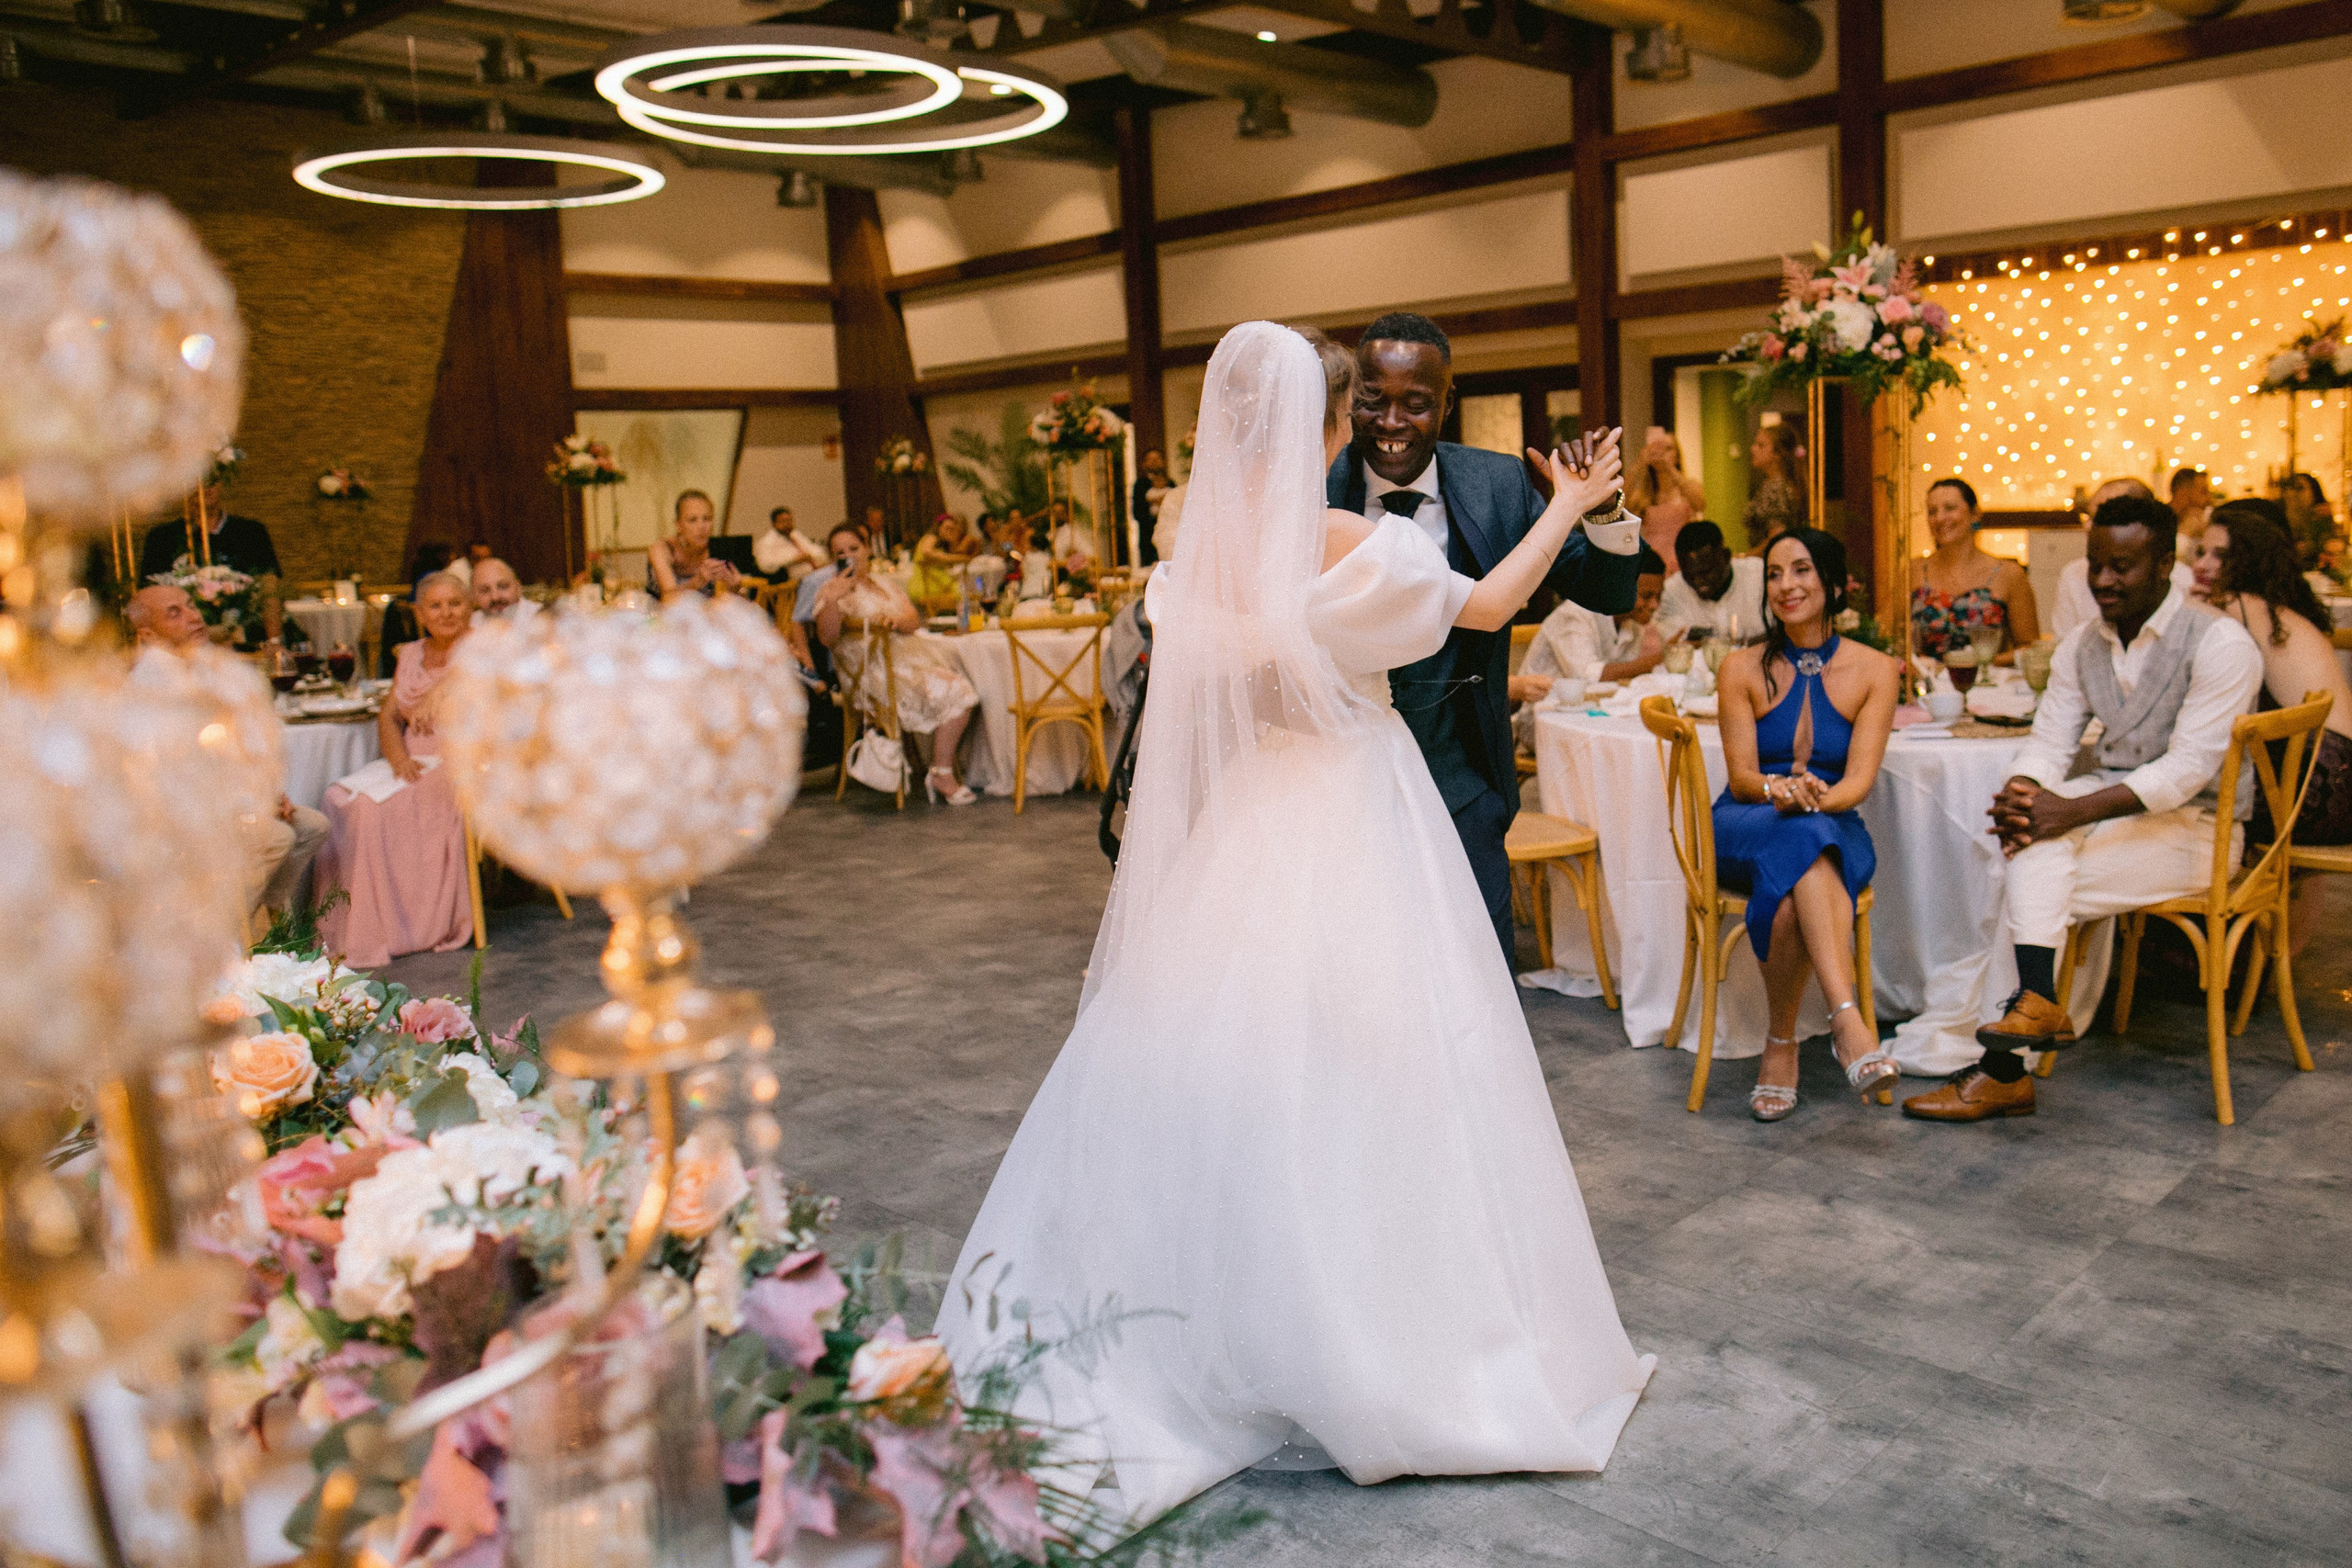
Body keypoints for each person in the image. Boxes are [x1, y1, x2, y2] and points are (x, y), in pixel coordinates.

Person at [940, 321, 1651, 1531]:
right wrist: (1574, 501)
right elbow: (1487, 607)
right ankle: (1370, 1325)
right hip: (1358, 805)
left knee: (1242, 1065)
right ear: (1325, 424)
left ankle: (1230, 1306)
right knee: (1387, 1065)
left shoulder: (1194, 560)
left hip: (1252, 815)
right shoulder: (1340, 543)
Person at [1904, 495, 2263, 1122]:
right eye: (2095, 564)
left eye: (2122, 566)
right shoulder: (2080, 646)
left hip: (2201, 828)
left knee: (2025, 875)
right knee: (2030, 844)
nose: (2103, 580)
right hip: (2116, 811)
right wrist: (2024, 793)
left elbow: (2186, 771)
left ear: (2165, 566)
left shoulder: (2223, 644)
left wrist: (2066, 813)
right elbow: (2049, 743)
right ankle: (2031, 1014)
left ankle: (2007, 1064)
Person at [1327, 310, 1645, 958]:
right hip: (1340, 779)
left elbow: (1607, 593)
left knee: (1479, 968)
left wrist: (1602, 508)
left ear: (1448, 405)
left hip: (1465, 776)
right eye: (1373, 401)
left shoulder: (1497, 483)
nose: (1391, 422)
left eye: (1416, 404)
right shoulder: (1313, 488)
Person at [1712, 528, 1903, 1120]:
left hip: (1833, 818)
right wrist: (1780, 790)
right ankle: (1848, 1021)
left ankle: (1781, 1044)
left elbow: (1858, 782)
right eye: (1774, 574)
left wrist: (1814, 801)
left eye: (1801, 570)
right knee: (1804, 838)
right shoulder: (1739, 667)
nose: (1785, 585)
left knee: (1798, 875)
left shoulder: (1877, 669)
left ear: (1832, 582)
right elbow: (1742, 777)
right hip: (1749, 819)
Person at [124, 584, 327, 919]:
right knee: (276, 838)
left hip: (228, 800)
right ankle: (222, 929)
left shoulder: (205, 666)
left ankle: (267, 923)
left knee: (313, 826)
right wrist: (250, 806)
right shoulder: (151, 684)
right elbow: (172, 777)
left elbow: (239, 747)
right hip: (183, 815)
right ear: (148, 634)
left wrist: (269, 794)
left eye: (190, 605)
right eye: (174, 613)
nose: (193, 617)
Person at [316, 572, 478, 968]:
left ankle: (390, 930)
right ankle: (343, 925)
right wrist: (398, 759)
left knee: (370, 808)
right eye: (435, 606)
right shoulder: (411, 654)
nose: (446, 613)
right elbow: (388, 717)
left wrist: (444, 690)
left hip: (463, 763)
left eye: (455, 603)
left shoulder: (487, 649)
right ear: (420, 614)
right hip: (412, 760)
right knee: (337, 798)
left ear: (469, 606)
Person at [2192, 498, 2352, 852]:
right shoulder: (2275, 608)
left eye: (2220, 556)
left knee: (2185, 804)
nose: (2202, 564)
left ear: (2248, 561)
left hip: (2313, 793)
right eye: (2201, 552)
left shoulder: (2234, 607)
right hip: (2338, 785)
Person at [812, 523, 982, 806]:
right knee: (959, 693)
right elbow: (827, 637)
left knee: (965, 686)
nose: (849, 556)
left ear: (867, 549)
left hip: (903, 662)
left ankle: (941, 769)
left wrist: (896, 622)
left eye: (854, 549)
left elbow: (913, 620)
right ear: (833, 559)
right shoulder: (830, 590)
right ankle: (942, 773)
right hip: (870, 675)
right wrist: (832, 599)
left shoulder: (884, 583)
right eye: (840, 553)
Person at [2048, 476, 2193, 640]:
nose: (2089, 527)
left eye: (2105, 516)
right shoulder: (2073, 574)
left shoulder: (2184, 580)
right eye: (2089, 516)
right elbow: (2063, 642)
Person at [1911, 477, 2040, 662]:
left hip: (1987, 678)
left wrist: (1981, 664)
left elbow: (2030, 648)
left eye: (1950, 508)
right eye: (1932, 511)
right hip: (1928, 679)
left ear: (1975, 514)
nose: (1939, 518)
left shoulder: (2009, 574)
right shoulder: (1914, 571)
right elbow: (1885, 637)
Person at [139, 479, 284, 642]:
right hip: (185, 642)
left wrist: (274, 640)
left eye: (210, 482)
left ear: (220, 484)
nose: (202, 489)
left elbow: (269, 587)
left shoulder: (251, 532)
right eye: (193, 482)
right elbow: (149, 596)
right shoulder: (161, 538)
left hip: (245, 639)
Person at [1524, 547, 1668, 687]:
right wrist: (1661, 658)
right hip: (1541, 701)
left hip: (1594, 700)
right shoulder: (1575, 613)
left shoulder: (1633, 624)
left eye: (1659, 596)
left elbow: (1622, 678)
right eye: (1646, 596)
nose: (1655, 605)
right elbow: (1586, 678)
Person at [1655, 520, 1765, 643]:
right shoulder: (1668, 594)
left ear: (1726, 556)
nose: (1698, 581)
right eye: (1690, 575)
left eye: (1705, 572)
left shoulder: (1759, 577)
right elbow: (1672, 645)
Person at [1625, 426, 1704, 575]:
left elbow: (1700, 504)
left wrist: (1670, 469)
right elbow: (1619, 504)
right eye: (1656, 448)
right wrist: (1639, 465)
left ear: (1677, 455)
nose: (1662, 453)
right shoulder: (1644, 495)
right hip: (1653, 565)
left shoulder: (1688, 486)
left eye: (1668, 448)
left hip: (1683, 562)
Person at [650, 490, 742, 599]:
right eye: (692, 520)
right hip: (660, 609)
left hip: (704, 609)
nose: (701, 526)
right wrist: (697, 582)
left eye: (707, 519)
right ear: (678, 525)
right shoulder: (663, 549)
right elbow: (668, 598)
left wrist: (734, 589)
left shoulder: (718, 550)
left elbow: (726, 600)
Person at [1742, 422, 1805, 552]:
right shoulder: (1778, 483)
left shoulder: (1776, 487)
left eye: (1761, 445)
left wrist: (1746, 557)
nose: (1753, 449)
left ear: (1778, 454)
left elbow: (1776, 538)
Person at [909, 513, 980, 605]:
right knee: (968, 592)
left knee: (969, 591)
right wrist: (956, 558)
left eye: (952, 529)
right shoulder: (931, 537)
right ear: (938, 527)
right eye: (947, 528)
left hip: (937, 583)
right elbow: (927, 552)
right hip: (928, 585)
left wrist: (953, 541)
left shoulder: (942, 544)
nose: (949, 531)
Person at [750, 505, 826, 583]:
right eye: (783, 521)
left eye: (790, 521)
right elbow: (765, 565)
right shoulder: (767, 542)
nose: (788, 524)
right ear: (774, 524)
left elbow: (817, 550)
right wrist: (793, 560)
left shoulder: (795, 534)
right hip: (793, 582)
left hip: (814, 576)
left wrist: (810, 555)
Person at [468, 558, 538, 628]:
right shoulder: (470, 624)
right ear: (474, 597)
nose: (495, 597)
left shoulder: (540, 618)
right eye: (485, 591)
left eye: (503, 586)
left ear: (518, 587)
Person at [1132, 447, 1171, 562]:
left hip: (1168, 535)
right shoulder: (1140, 485)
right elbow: (1137, 512)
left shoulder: (1171, 483)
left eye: (1157, 458)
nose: (1154, 462)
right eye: (1150, 459)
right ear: (1144, 464)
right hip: (1148, 537)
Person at [2170, 466, 2213, 560]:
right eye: (2203, 492)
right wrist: (2186, 532)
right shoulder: (2159, 522)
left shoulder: (2203, 526)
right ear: (2182, 494)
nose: (2209, 499)